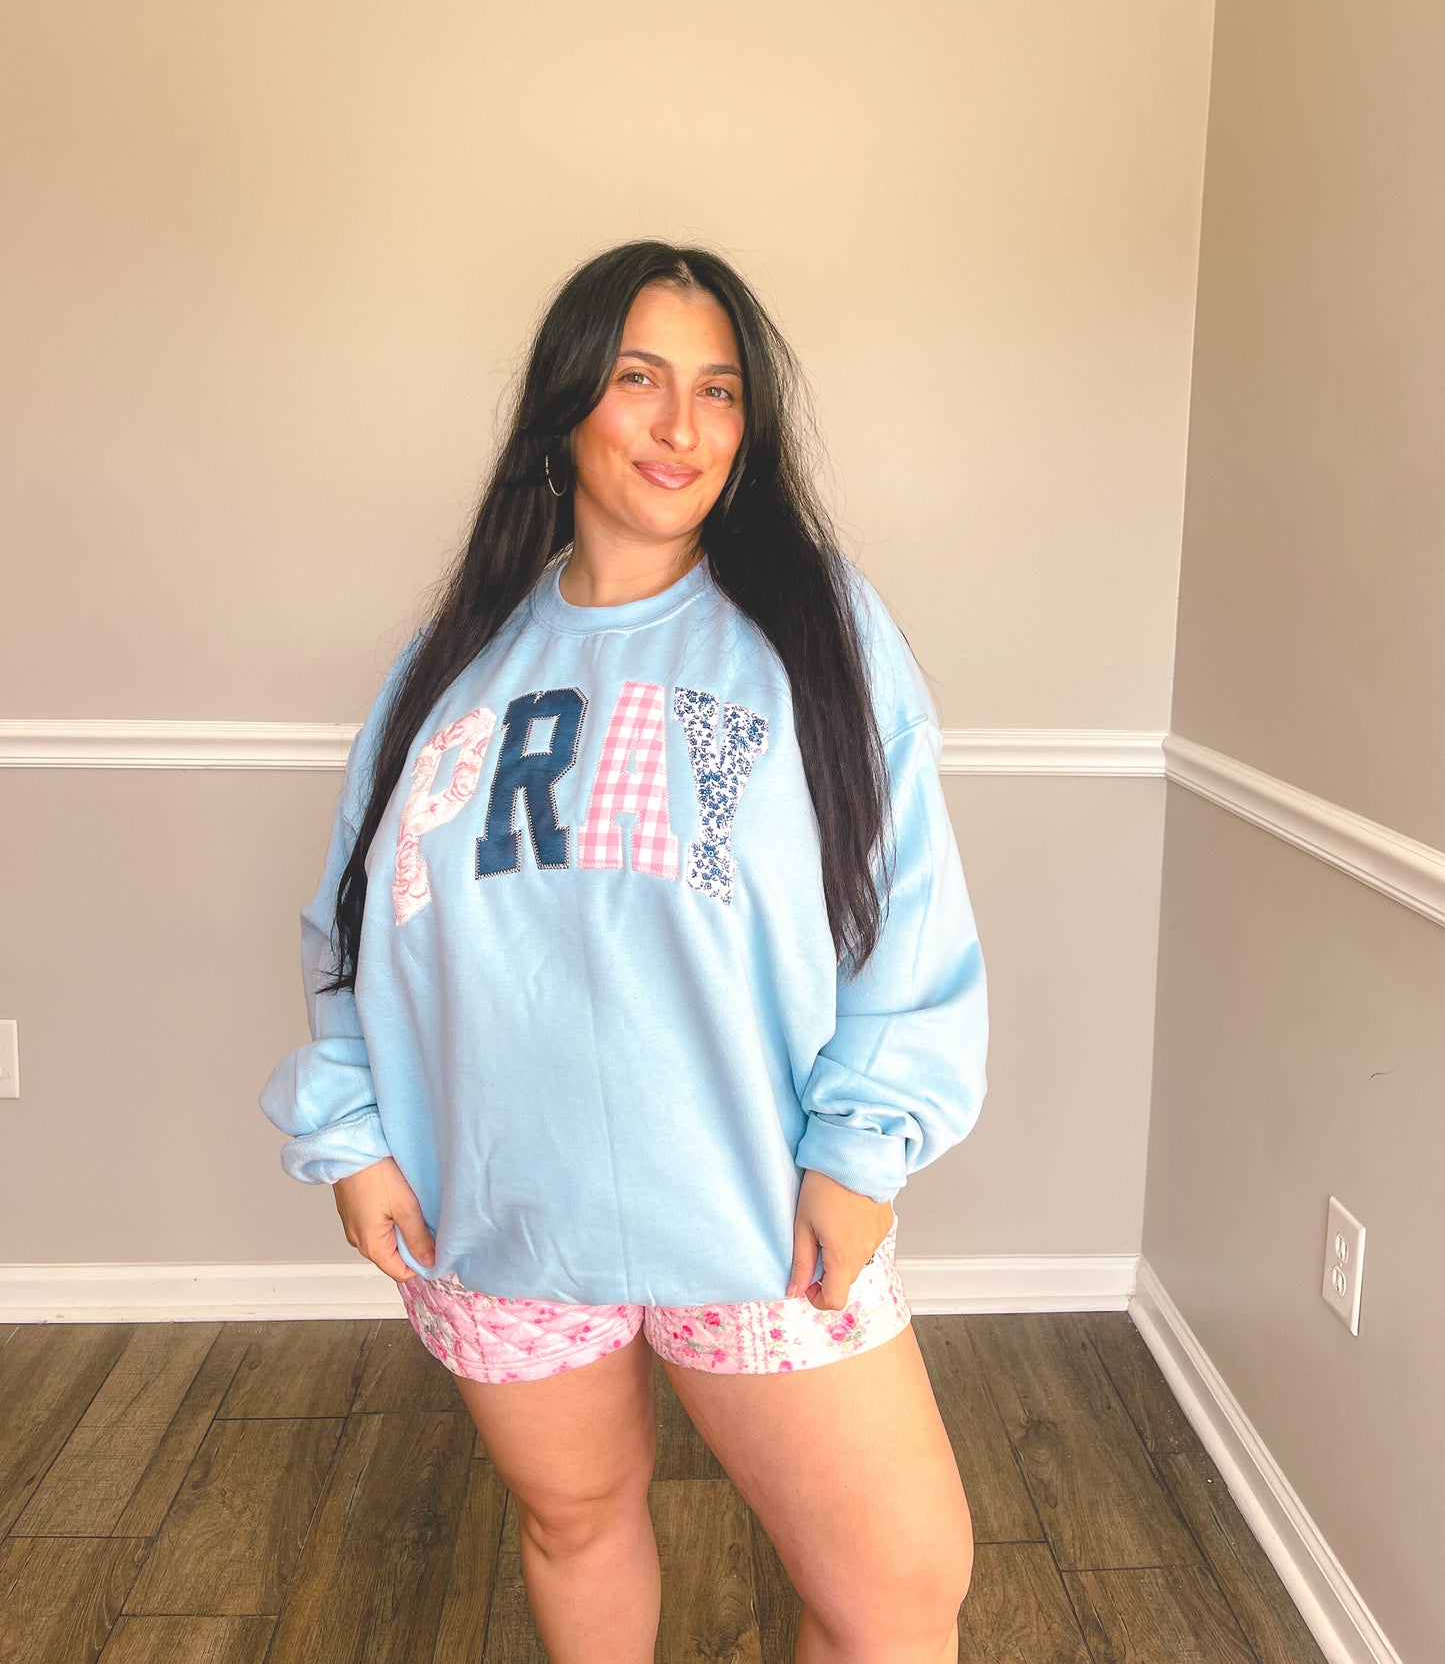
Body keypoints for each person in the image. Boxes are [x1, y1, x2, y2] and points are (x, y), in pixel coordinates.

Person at [259, 240, 990, 1664]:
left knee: (898, 1594)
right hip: (498, 1218)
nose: (680, 426)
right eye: (638, 379)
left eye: (717, 392)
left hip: (758, 1215)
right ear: (563, 408)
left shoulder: (819, 630)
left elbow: (904, 898)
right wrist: (349, 1134)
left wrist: (860, 1146)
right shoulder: (449, 664)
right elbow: (356, 921)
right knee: (573, 1523)